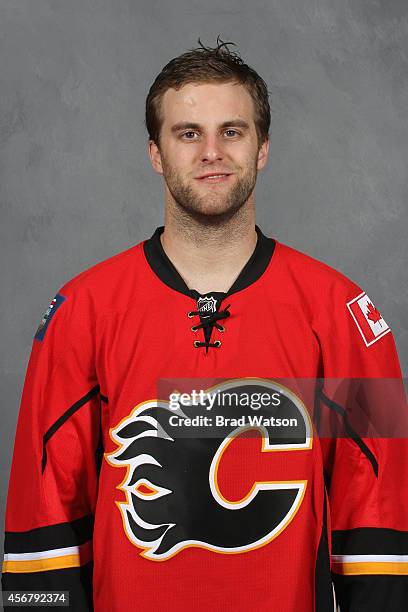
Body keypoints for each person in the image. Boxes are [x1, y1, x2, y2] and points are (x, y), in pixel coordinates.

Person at [2, 37, 407, 611]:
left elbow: (379, 510)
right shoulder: (81, 310)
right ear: (155, 153)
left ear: (263, 148)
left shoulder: (343, 313)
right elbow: (43, 511)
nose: (211, 151)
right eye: (188, 133)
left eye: (232, 131)